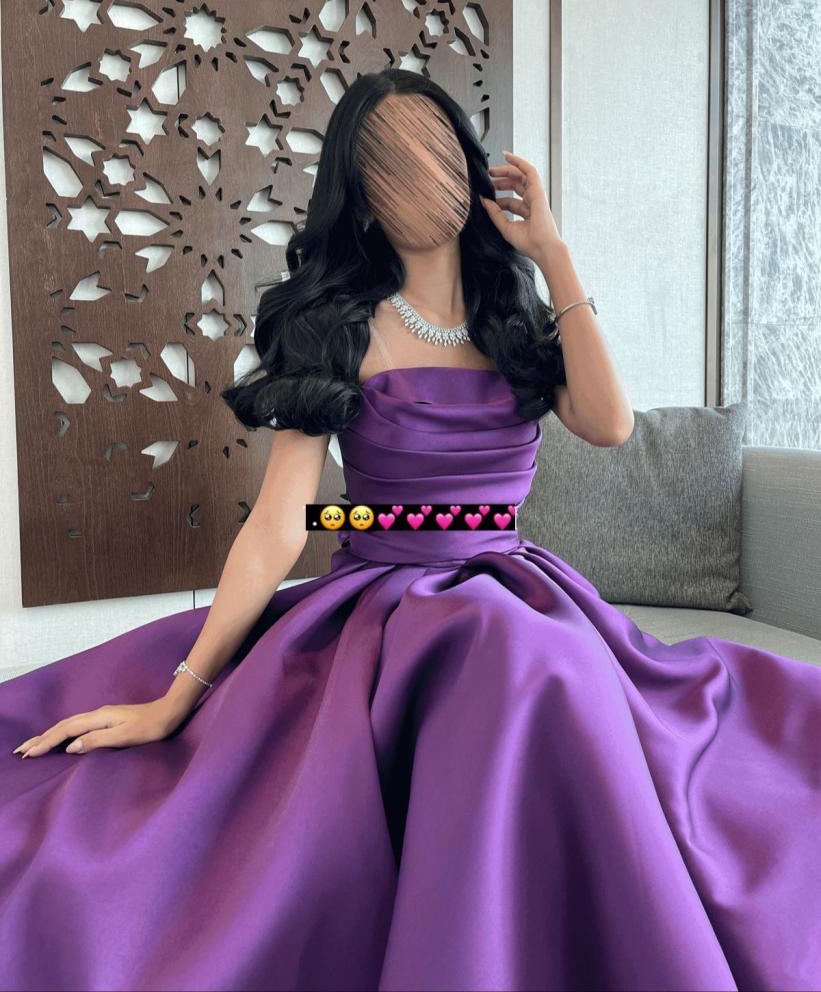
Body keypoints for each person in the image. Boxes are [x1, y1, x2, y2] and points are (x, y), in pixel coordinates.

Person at [1, 68, 819, 992]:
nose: (423, 177)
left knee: (529, 653)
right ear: (359, 194)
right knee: (517, 654)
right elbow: (280, 521)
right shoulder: (335, 325)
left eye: (436, 151)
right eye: (390, 162)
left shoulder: (514, 317)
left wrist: (552, 253)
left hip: (519, 589)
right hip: (389, 603)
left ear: (466, 166)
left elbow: (609, 425)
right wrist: (178, 695)